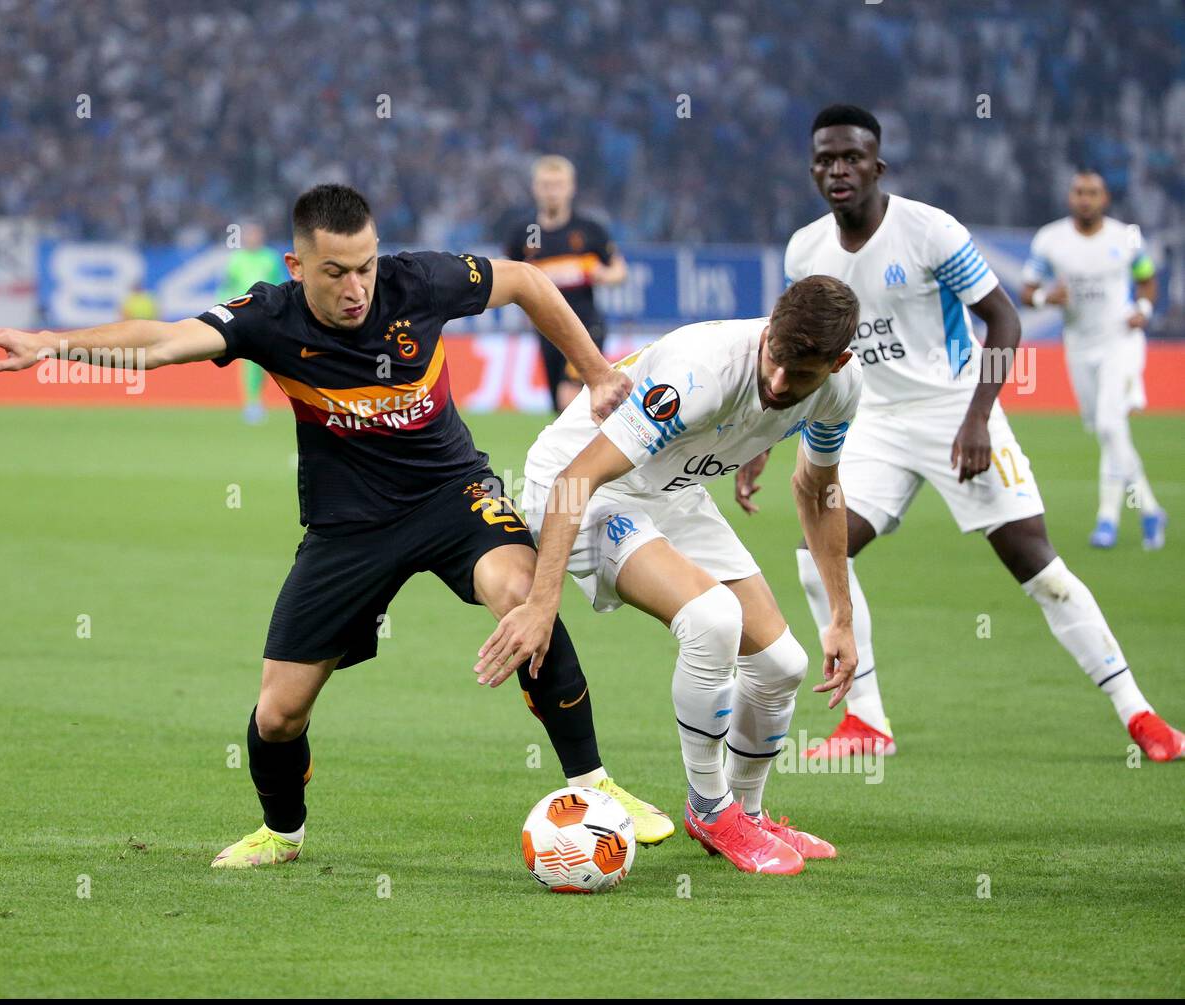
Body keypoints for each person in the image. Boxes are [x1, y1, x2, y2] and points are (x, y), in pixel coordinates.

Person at [0, 183, 675, 867]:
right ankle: (282, 832)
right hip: (348, 527)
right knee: (277, 715)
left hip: (452, 494)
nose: (357, 286)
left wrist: (595, 369)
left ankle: (593, 781)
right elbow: (166, 341)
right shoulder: (270, 317)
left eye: (365, 265)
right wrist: (54, 343)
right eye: (335, 272)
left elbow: (524, 278)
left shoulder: (418, 282)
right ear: (298, 266)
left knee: (524, 598)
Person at [744, 104, 1181, 763]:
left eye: (851, 157)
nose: (838, 169)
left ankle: (1140, 713)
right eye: (826, 159)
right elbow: (796, 348)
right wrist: (759, 438)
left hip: (956, 411)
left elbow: (1003, 321)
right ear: (812, 169)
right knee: (818, 556)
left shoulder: (928, 231)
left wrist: (978, 416)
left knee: (1040, 568)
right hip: (874, 424)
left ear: (876, 166)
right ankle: (867, 721)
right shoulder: (806, 249)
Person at [476, 275, 863, 875]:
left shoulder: (841, 388)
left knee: (782, 665)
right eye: (775, 361)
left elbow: (819, 490)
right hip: (582, 490)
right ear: (768, 330)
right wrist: (542, 599)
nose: (780, 384)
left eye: (803, 375)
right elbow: (579, 477)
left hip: (669, 490)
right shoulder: (701, 372)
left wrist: (841, 616)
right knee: (711, 619)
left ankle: (749, 817)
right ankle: (710, 808)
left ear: (837, 363)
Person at [1021, 171, 1165, 549]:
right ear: (1070, 198)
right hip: (1079, 346)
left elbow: (1148, 279)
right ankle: (1148, 508)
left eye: (1093, 193)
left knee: (1108, 423)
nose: (1085, 199)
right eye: (1079, 192)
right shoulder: (1051, 240)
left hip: (1121, 340)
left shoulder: (1127, 237)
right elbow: (1028, 289)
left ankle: (1109, 519)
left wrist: (1144, 309)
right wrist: (1044, 299)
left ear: (1105, 199)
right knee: (1108, 428)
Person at [504, 155, 627, 412]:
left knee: (568, 397)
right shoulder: (521, 234)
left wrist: (602, 275)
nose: (552, 192)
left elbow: (619, 271)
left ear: (571, 187)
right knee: (561, 411)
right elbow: (508, 277)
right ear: (535, 188)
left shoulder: (590, 230)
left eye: (559, 185)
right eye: (546, 185)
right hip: (547, 330)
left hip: (585, 327)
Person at [222, 222, 288, 424]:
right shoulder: (236, 260)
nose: (253, 238)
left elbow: (280, 284)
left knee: (263, 361)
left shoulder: (270, 258)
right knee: (248, 363)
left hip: (266, 316)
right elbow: (228, 287)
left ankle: (258, 399)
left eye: (257, 234)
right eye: (250, 235)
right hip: (242, 316)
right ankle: (251, 403)